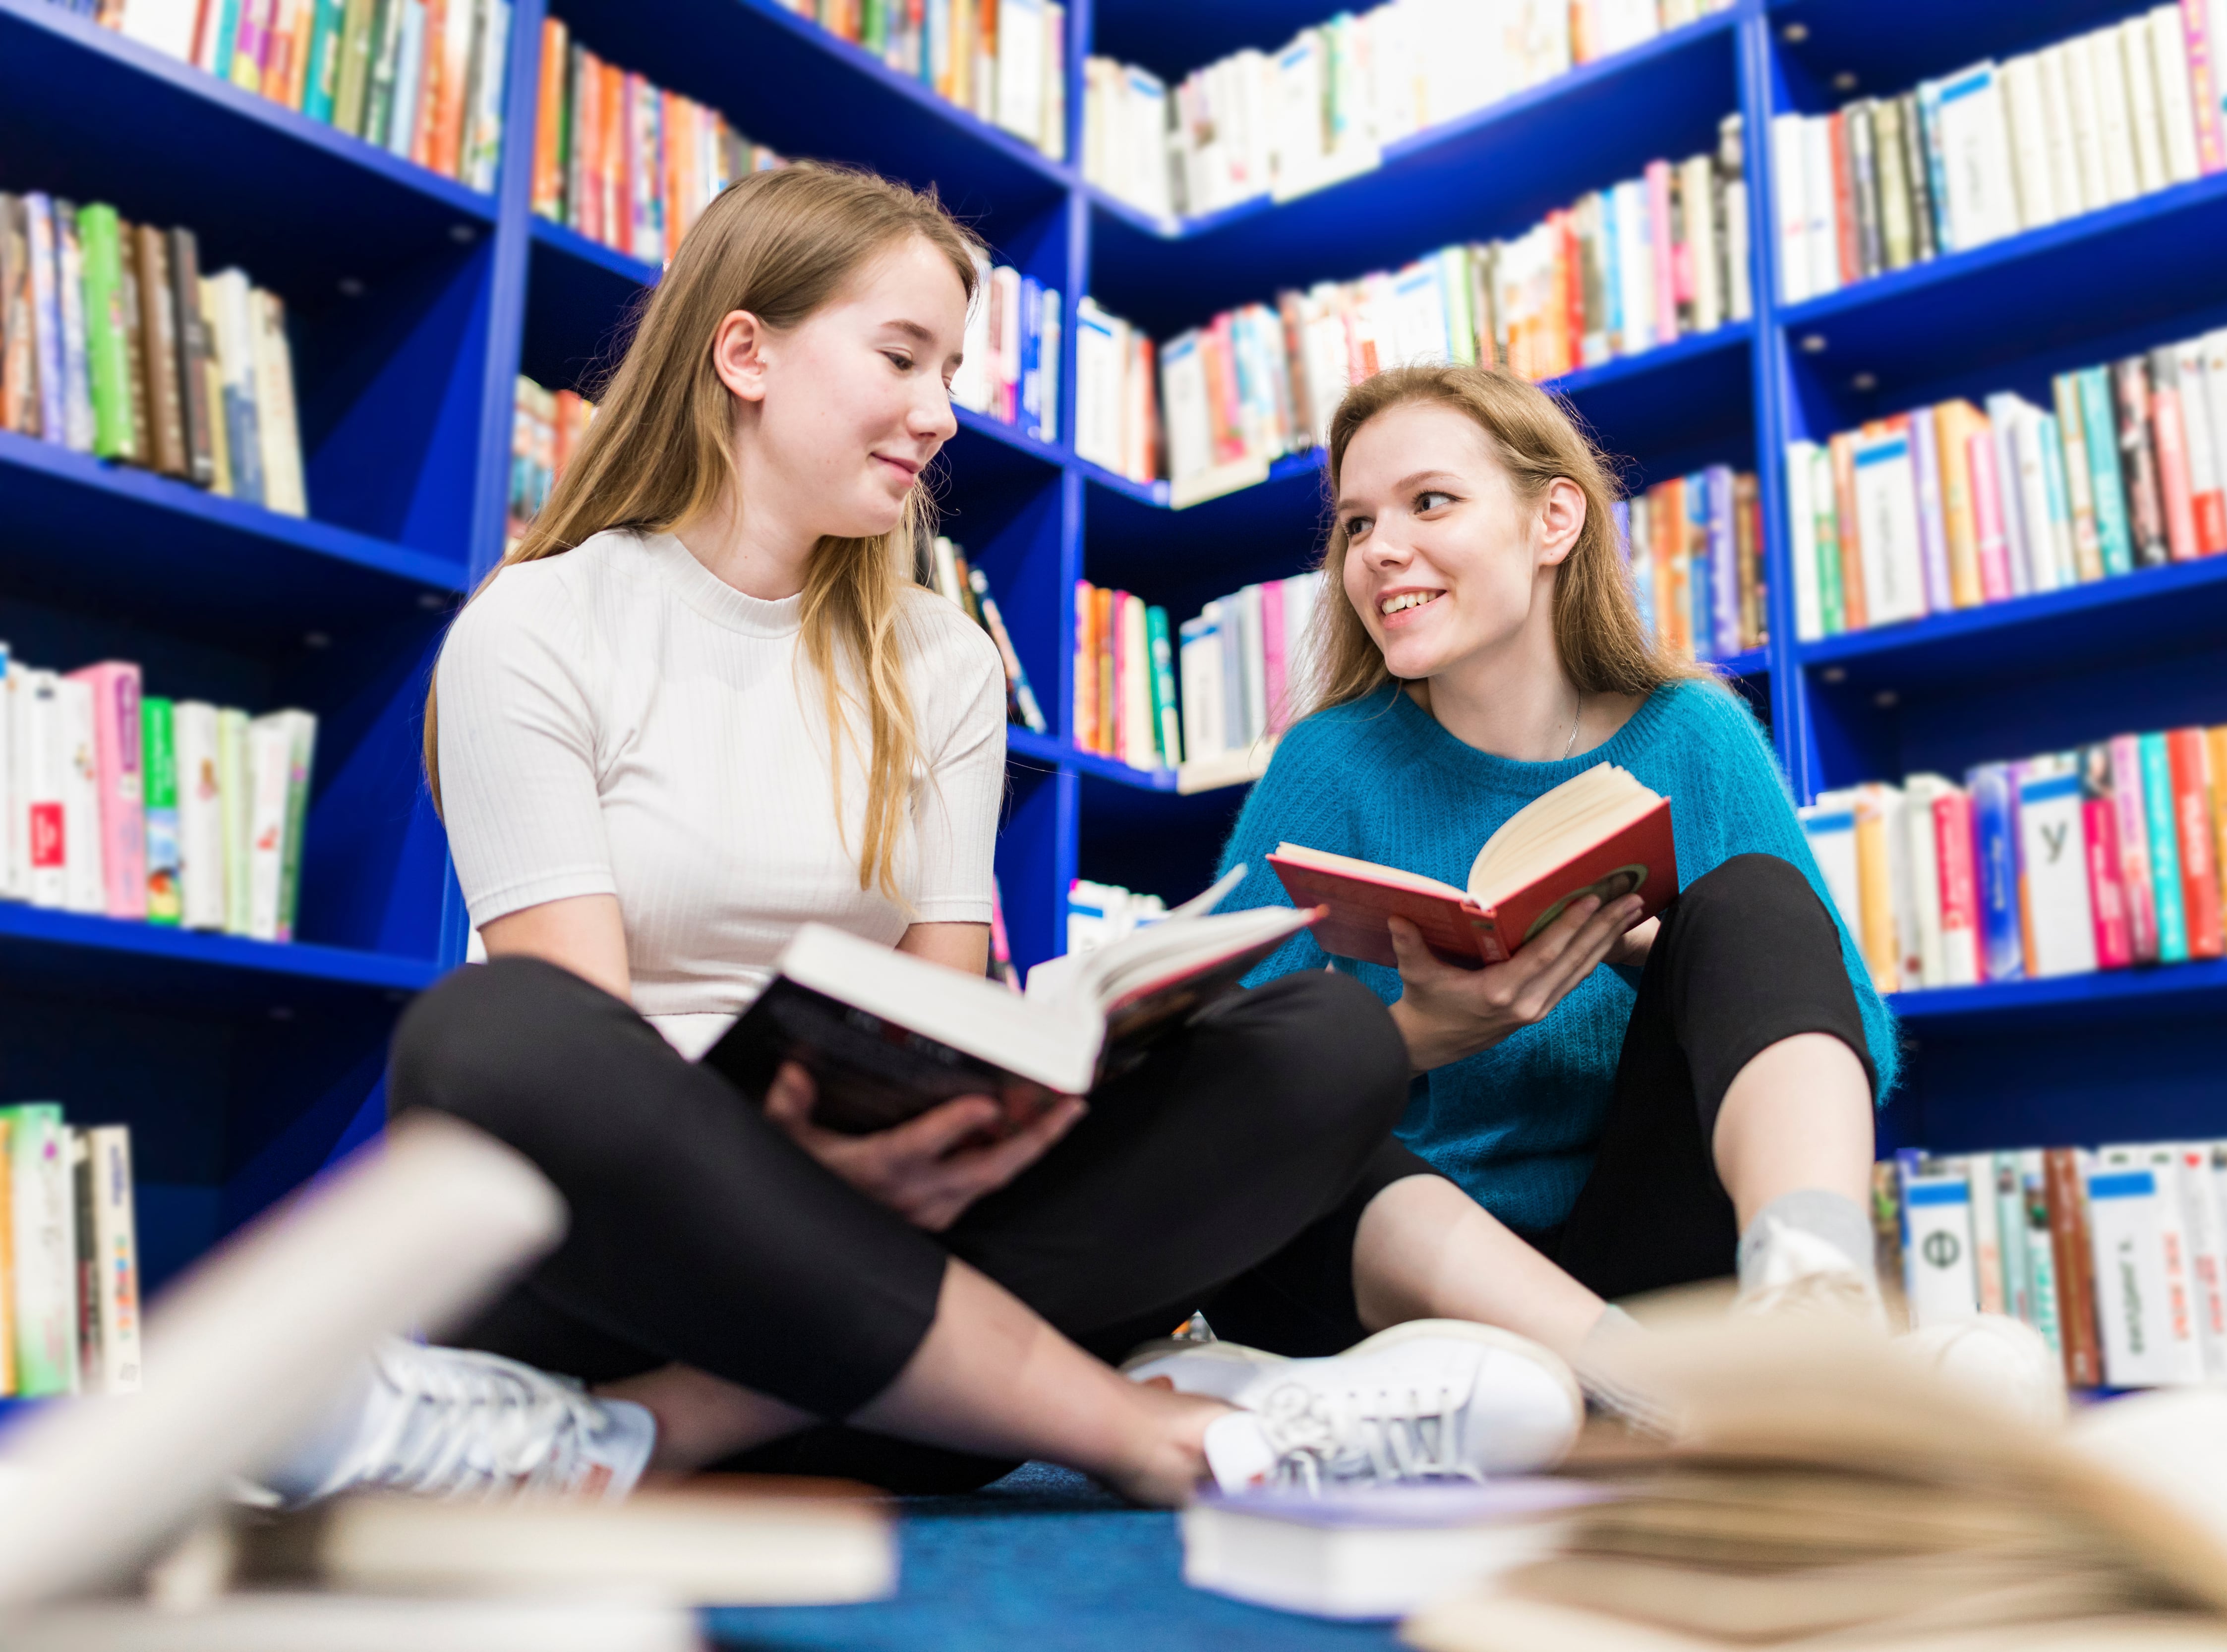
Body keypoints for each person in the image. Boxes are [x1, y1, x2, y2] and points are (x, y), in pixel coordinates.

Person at [264, 165, 1627, 1512]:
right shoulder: (539, 626)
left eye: (952, 370)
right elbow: (588, 1042)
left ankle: (625, 1438)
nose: (939, 414)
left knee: (1323, 1043)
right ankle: (1153, 1424)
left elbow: (936, 1005)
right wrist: (793, 1171)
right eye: (901, 356)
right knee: (498, 1031)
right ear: (745, 351)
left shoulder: (942, 659)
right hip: (644, 1270)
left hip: (897, 1271)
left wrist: (968, 1122)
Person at [1203, 362, 1903, 1359]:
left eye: (1429, 501)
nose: (1380, 551)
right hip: (1410, 1265)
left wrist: (1655, 955)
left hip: (1643, 1241)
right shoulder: (1330, 760)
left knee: (1751, 897)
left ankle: (1815, 1311)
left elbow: (1853, 1037)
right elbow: (1203, 1088)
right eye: (1356, 523)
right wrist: (1413, 1034)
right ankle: (1636, 1385)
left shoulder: (1693, 732)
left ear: (1554, 521)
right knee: (1254, 1117)